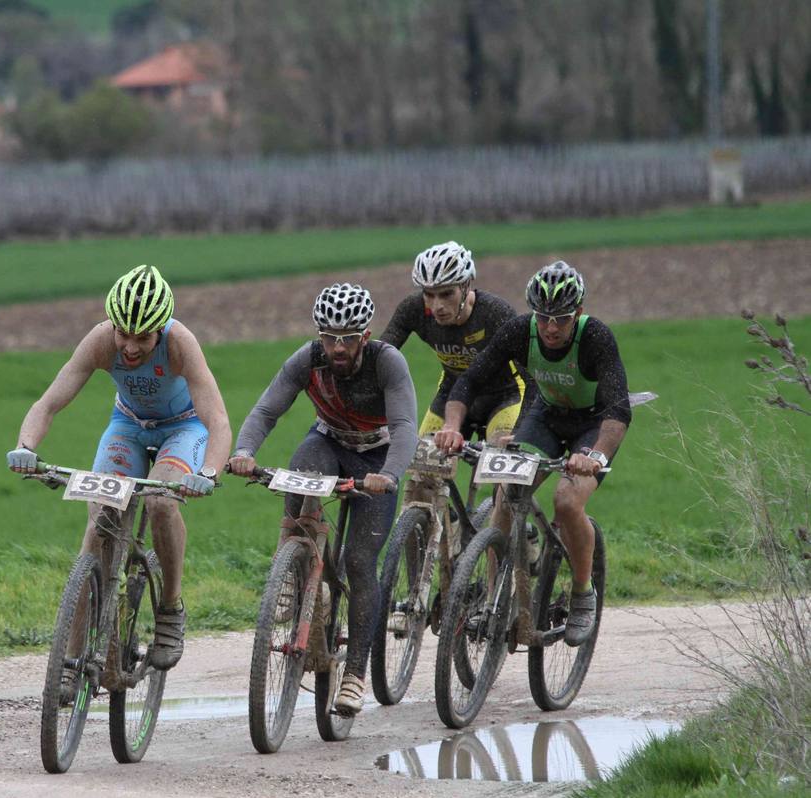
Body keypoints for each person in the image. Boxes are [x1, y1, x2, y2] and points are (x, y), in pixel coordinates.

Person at [7, 264, 232, 676]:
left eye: (142, 337)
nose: (129, 346)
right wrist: (25, 447)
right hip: (127, 425)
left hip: (183, 427)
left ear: (160, 330)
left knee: (162, 504)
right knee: (97, 530)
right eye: (122, 333)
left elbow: (217, 420)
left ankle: (170, 609)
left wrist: (210, 473)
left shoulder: (181, 344)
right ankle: (71, 664)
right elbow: (48, 403)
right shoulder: (99, 341)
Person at [228, 283, 418, 715]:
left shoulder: (387, 362)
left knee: (358, 560)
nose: (337, 346)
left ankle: (354, 674)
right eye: (329, 336)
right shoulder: (307, 358)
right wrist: (244, 452)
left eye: (347, 337)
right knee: (299, 477)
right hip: (329, 442)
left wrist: (388, 475)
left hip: (377, 455)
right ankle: (294, 572)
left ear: (364, 336)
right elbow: (266, 410)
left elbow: (406, 425)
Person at [433, 260, 631, 647]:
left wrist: (595, 456)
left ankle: (581, 593)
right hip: (546, 416)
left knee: (567, 500)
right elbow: (469, 381)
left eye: (561, 319)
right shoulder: (519, 331)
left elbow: (619, 411)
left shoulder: (596, 339)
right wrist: (452, 427)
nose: (551, 328)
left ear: (578, 313)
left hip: (592, 427)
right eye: (544, 318)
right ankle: (495, 600)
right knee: (507, 491)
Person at [379, 240, 525, 443]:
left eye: (447, 294)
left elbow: (531, 376)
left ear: (466, 286)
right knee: (425, 471)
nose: (437, 305)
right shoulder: (414, 309)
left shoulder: (495, 313)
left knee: (495, 469)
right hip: (452, 393)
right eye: (429, 294)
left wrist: (522, 427)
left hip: (505, 396)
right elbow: (378, 356)